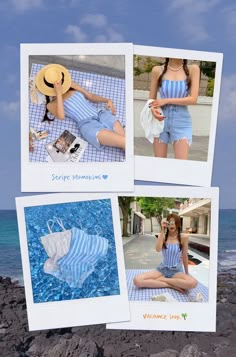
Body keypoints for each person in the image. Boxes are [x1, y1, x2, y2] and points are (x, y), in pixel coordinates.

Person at [35, 63, 125, 151]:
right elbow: (61, 116)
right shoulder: (51, 104)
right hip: (88, 126)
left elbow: (91, 96)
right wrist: (58, 93)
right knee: (124, 142)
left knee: (126, 141)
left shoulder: (72, 86)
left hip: (101, 114)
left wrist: (107, 100)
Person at [149, 58, 200, 160]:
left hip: (181, 121)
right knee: (159, 164)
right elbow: (151, 100)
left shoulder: (193, 69)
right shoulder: (157, 70)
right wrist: (153, 110)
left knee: (181, 166)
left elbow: (193, 99)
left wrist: (166, 100)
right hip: (160, 120)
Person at [133, 213, 197, 292]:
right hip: (162, 269)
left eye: (174, 222)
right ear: (167, 224)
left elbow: (185, 256)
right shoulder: (163, 236)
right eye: (169, 222)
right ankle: (170, 285)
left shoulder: (183, 237)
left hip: (176, 271)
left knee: (192, 283)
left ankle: (163, 280)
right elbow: (158, 249)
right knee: (137, 280)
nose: (172, 225)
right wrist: (162, 230)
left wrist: (187, 273)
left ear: (178, 224)